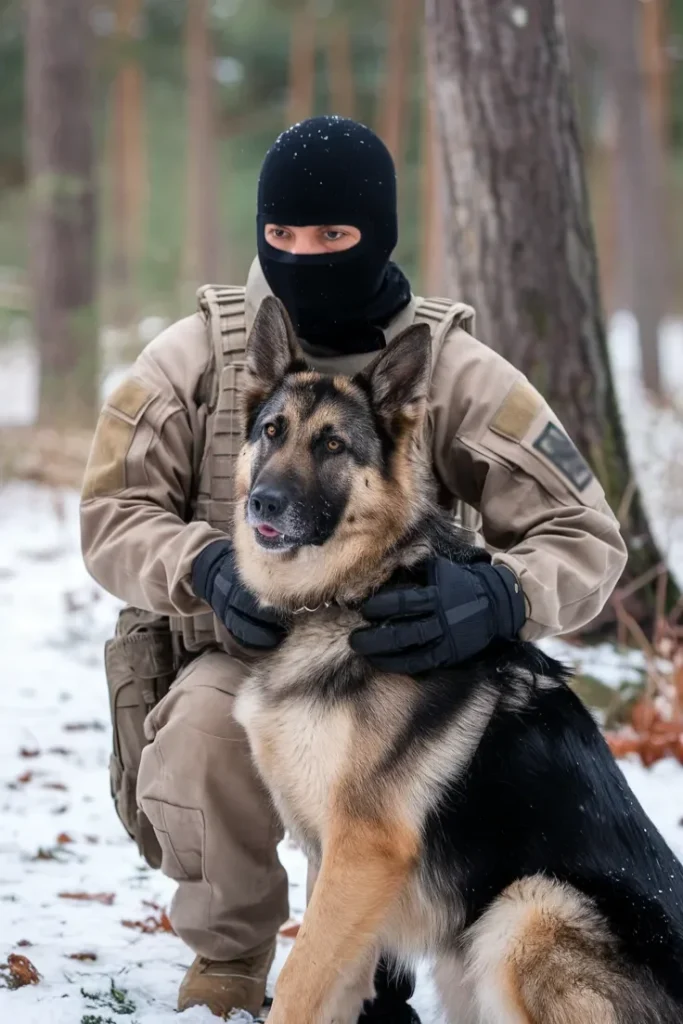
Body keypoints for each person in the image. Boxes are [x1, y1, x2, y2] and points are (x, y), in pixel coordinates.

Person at [80, 116, 627, 1022]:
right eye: (282, 234)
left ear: (375, 234)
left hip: (389, 654)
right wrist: (204, 566)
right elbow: (108, 512)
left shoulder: (451, 371)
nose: (303, 253)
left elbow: (585, 531)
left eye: (331, 236)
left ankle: (382, 969)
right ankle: (230, 956)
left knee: (392, 793)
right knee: (213, 726)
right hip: (243, 650)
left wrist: (500, 593)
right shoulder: (199, 354)